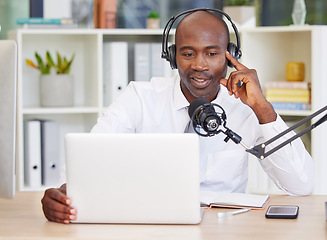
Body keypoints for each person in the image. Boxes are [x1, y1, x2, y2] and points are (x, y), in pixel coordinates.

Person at [41, 10, 314, 224]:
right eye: (187, 53)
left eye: (212, 53)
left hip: (228, 228)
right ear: (172, 56)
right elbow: (88, 158)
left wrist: (263, 108)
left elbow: (300, 185)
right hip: (151, 225)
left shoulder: (246, 108)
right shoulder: (139, 98)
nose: (199, 65)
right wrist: (63, 194)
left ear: (231, 57)